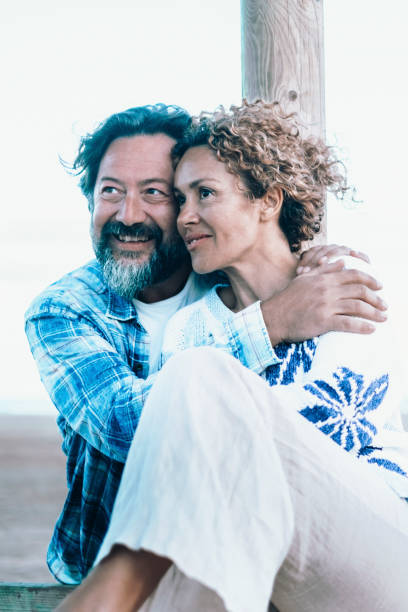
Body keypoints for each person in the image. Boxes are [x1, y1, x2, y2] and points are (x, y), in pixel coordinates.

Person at [55, 101, 408, 612]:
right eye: (179, 197)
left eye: (205, 194)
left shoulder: (348, 280)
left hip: (381, 548)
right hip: (272, 566)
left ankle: (116, 585)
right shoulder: (191, 328)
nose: (186, 216)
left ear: (268, 201)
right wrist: (274, 321)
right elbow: (135, 429)